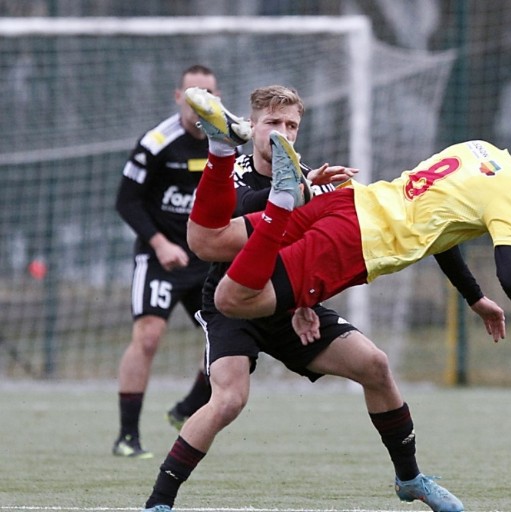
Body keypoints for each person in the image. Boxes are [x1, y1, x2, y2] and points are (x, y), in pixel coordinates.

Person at [142, 85, 466, 512]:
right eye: (273, 124)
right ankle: (159, 503)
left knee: (375, 365)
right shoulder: (233, 171)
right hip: (230, 304)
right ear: (252, 125)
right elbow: (231, 226)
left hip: (285, 301)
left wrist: (304, 304)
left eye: (291, 125)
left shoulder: (301, 176)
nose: (283, 134)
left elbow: (313, 248)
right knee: (229, 399)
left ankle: (411, 479)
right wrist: (301, 193)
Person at [185, 87, 511, 345]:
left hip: (344, 202)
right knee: (233, 300)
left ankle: (221, 151)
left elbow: (440, 235)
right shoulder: (509, 192)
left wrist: (475, 299)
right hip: (356, 240)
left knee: (208, 241)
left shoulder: (478, 150)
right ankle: (280, 198)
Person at [113, 65, 226, 459]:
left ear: (218, 99)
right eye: (193, 93)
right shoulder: (157, 142)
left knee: (227, 338)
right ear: (179, 97)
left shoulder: (227, 143)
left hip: (207, 258)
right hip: (160, 256)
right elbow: (126, 201)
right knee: (148, 337)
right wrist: (160, 243)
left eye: (208, 93)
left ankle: (185, 409)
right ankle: (127, 436)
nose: (201, 101)